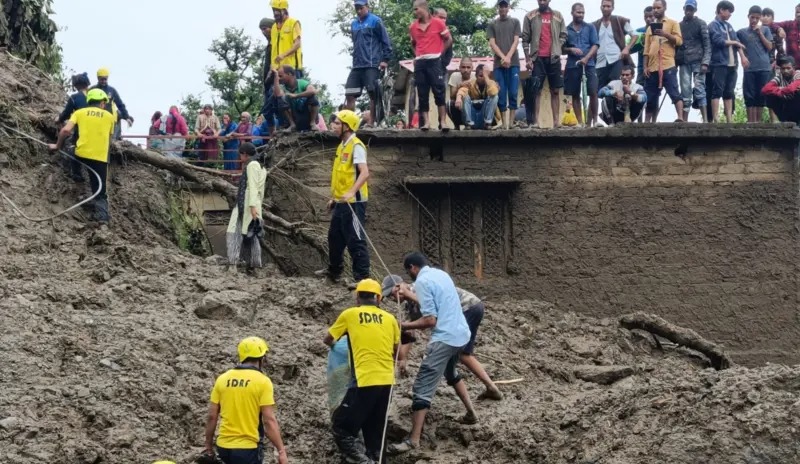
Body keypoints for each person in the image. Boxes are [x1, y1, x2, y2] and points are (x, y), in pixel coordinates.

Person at [387, 253, 476, 455]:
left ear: (412, 268)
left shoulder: (422, 282)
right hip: (461, 333)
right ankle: (471, 413)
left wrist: (402, 325)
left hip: (444, 337)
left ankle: (414, 440)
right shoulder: (440, 274)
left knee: (422, 386)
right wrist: (410, 295)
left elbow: (430, 321)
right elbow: (436, 302)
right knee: (450, 372)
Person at [381, 274, 504, 401]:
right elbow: (410, 331)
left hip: (467, 307)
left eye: (391, 294)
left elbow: (429, 321)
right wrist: (403, 358)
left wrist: (403, 326)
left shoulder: (418, 290)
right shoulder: (409, 303)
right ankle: (489, 388)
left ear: (398, 286)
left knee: (461, 354)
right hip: (472, 306)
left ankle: (490, 387)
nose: (393, 299)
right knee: (461, 354)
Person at [323, 279, 400, 464]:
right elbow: (396, 350)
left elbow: (328, 339)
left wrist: (339, 346)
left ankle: (364, 462)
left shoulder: (350, 314)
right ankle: (374, 459)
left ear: (357, 298)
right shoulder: (390, 319)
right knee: (375, 432)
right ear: (379, 299)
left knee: (341, 428)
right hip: (387, 382)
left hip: (364, 381)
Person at [203, 337, 288, 464]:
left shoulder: (222, 379)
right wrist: (281, 451)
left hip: (223, 447)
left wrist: (208, 447)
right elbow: (269, 421)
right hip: (248, 449)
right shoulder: (263, 382)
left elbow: (212, 416)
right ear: (262, 358)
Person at [317, 110, 370, 286]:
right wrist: (334, 197)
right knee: (334, 237)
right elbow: (341, 175)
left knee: (355, 239)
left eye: (338, 123)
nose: (333, 126)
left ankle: (361, 278)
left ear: (347, 127)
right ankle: (334, 272)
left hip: (354, 202)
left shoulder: (357, 146)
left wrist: (351, 192)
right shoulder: (342, 146)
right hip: (341, 202)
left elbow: (364, 173)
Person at [48, 89, 116, 224]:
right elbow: (109, 138)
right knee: (101, 190)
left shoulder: (79, 113)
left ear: (89, 101)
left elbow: (66, 130)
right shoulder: (110, 117)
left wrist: (57, 146)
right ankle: (102, 218)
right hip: (100, 158)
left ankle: (77, 177)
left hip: (81, 154)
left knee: (71, 152)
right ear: (103, 103)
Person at [346, 0, 393, 128]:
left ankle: (371, 122)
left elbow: (386, 41)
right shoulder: (354, 24)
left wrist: (385, 59)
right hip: (357, 65)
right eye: (356, 8)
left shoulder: (375, 21)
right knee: (350, 93)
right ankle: (350, 124)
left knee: (373, 93)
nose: (359, 10)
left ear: (367, 6)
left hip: (372, 63)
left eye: (361, 8)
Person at [522, 0, 568, 128]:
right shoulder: (530, 16)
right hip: (537, 58)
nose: (542, 1)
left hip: (554, 58)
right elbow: (525, 39)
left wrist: (557, 48)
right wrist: (528, 59)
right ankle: (536, 122)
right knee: (536, 90)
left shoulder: (558, 15)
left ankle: (556, 122)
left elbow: (564, 34)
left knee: (555, 90)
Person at [409, 0, 452, 131]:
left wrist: (440, 53)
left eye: (416, 9)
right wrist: (417, 55)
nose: (415, 12)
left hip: (434, 61)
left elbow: (449, 39)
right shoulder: (413, 27)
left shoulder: (438, 23)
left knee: (439, 91)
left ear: (423, 8)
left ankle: (443, 122)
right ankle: (426, 122)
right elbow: (413, 43)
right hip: (421, 62)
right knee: (422, 93)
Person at [225, 142, 267, 273]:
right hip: (251, 204)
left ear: (245, 154)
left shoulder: (252, 165)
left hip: (248, 205)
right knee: (252, 234)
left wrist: (252, 206)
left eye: (240, 155)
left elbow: (253, 187)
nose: (240, 158)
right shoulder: (260, 165)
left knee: (234, 232)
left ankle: (233, 264)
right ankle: (254, 266)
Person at [643, 0, 684, 123]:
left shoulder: (673, 23)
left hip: (668, 65)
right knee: (650, 97)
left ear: (664, 8)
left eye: (658, 8)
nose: (655, 10)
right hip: (652, 66)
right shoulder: (650, 28)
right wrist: (645, 67)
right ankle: (647, 122)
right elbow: (646, 50)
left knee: (674, 92)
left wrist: (665, 34)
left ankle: (680, 117)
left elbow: (679, 41)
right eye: (654, 8)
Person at [564, 2, 600, 126]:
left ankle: (595, 121)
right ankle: (580, 122)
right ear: (572, 13)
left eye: (583, 12)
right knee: (575, 93)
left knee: (593, 91)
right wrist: (571, 50)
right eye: (578, 12)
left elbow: (595, 45)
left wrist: (586, 57)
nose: (581, 15)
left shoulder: (590, 27)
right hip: (572, 64)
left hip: (589, 64)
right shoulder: (566, 29)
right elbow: (561, 48)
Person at [488, 0, 522, 129]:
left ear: (509, 7)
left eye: (505, 6)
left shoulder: (515, 22)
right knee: (501, 94)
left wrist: (508, 57)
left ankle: (512, 123)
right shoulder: (493, 24)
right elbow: (492, 43)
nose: (502, 9)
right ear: (498, 8)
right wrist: (503, 57)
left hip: (513, 63)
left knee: (513, 92)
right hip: (498, 65)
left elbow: (516, 41)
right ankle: (504, 123)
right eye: (500, 6)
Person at [708, 1, 744, 123]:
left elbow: (737, 41)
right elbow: (718, 41)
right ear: (722, 10)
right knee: (717, 90)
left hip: (732, 64)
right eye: (729, 11)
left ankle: (729, 118)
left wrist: (743, 57)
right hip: (719, 63)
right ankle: (716, 118)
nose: (730, 14)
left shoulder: (729, 26)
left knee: (729, 91)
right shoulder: (713, 25)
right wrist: (734, 43)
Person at [738, 6, 774, 122]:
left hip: (764, 68)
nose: (754, 20)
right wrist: (742, 57)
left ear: (760, 19)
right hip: (749, 68)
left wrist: (760, 34)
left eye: (757, 18)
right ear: (748, 17)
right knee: (749, 96)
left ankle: (758, 123)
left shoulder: (765, 30)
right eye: (752, 17)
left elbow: (769, 47)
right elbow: (737, 45)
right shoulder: (741, 32)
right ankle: (751, 122)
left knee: (761, 95)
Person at [677, 0, 710, 122]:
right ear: (684, 9)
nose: (689, 11)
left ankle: (705, 120)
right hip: (684, 62)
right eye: (687, 8)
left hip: (698, 62)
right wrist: (676, 62)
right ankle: (684, 121)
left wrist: (705, 62)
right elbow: (677, 45)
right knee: (685, 92)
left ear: (695, 10)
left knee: (699, 89)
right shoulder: (679, 25)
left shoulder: (701, 23)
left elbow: (707, 44)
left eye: (691, 9)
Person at [592, 0, 638, 89]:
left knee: (616, 86)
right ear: (600, 7)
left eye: (608, 6)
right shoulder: (595, 24)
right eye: (604, 6)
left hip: (616, 59)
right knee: (599, 90)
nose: (605, 8)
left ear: (613, 8)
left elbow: (635, 35)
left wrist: (627, 48)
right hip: (600, 61)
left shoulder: (619, 20)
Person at [57, 72, 91, 182]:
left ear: (76, 85)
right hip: (99, 131)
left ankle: (77, 174)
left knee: (72, 147)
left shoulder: (75, 98)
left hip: (82, 130)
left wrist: (59, 119)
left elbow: (66, 113)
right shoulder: (96, 95)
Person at [273, 65, 320, 132]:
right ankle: (292, 125)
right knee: (281, 99)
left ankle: (312, 123)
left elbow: (312, 91)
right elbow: (277, 94)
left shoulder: (301, 82)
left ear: (289, 74)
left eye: (280, 76)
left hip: (306, 116)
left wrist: (296, 96)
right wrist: (275, 77)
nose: (279, 78)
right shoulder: (283, 88)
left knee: (312, 97)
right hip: (296, 118)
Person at [92, 68, 133, 141]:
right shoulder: (92, 89)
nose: (104, 81)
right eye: (102, 79)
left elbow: (120, 104)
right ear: (98, 78)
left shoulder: (112, 90)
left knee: (108, 139)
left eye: (105, 79)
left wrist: (127, 117)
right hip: (95, 118)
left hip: (108, 119)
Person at [454, 64, 500, 129]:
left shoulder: (491, 83)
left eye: (485, 76)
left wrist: (486, 78)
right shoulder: (471, 83)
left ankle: (488, 123)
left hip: (484, 118)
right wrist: (458, 98)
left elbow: (493, 92)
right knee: (465, 97)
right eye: (481, 76)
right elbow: (463, 90)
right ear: (476, 76)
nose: (483, 78)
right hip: (473, 117)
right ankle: (468, 124)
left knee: (495, 96)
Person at [762, 55, 800, 123]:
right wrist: (780, 91)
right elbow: (765, 89)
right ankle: (780, 121)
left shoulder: (798, 75)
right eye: (783, 68)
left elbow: (791, 89)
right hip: (786, 106)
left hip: (796, 106)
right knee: (769, 96)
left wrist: (779, 90)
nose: (785, 71)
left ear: (793, 68)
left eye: (788, 68)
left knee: (798, 92)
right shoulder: (780, 77)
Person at [270, 0, 303, 76]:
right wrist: (271, 66)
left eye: (277, 10)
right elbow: (273, 49)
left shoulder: (293, 23)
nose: (275, 13)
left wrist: (283, 55)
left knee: (295, 87)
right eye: (274, 10)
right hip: (277, 70)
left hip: (292, 69)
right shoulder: (274, 27)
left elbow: (297, 44)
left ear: (284, 10)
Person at [259, 17, 279, 135]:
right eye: (261, 29)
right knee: (267, 112)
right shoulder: (270, 44)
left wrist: (271, 74)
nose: (263, 32)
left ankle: (280, 134)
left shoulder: (277, 43)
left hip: (274, 80)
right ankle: (273, 137)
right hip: (267, 83)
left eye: (265, 28)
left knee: (277, 108)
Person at [446, 58, 475, 130]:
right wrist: (460, 86)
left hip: (472, 106)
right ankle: (456, 125)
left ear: (472, 68)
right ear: (459, 68)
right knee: (449, 104)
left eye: (468, 67)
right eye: (463, 67)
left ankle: (471, 124)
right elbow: (452, 96)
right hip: (458, 106)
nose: (466, 70)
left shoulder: (476, 76)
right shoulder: (454, 76)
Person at [636, 7, 656, 87]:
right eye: (646, 17)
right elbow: (631, 48)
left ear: (655, 16)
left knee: (653, 92)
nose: (648, 19)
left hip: (655, 66)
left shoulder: (660, 30)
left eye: (651, 16)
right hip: (641, 67)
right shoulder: (639, 31)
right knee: (639, 88)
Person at [434, 8, 454, 75]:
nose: (443, 20)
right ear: (434, 16)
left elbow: (448, 56)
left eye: (444, 18)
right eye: (440, 17)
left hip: (441, 70)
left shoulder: (447, 34)